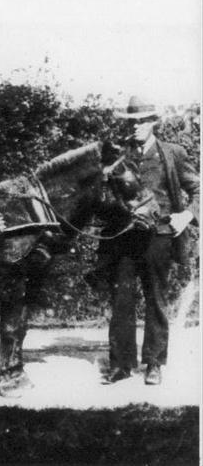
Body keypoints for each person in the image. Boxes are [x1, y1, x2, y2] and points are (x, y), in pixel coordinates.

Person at [98, 96, 199, 386]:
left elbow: (198, 188)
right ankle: (120, 365)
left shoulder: (172, 153)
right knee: (121, 300)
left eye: (142, 121)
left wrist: (188, 215)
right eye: (131, 122)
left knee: (156, 299)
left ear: (153, 122)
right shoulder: (118, 156)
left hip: (160, 238)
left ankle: (154, 363)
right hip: (125, 238)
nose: (136, 127)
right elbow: (105, 195)